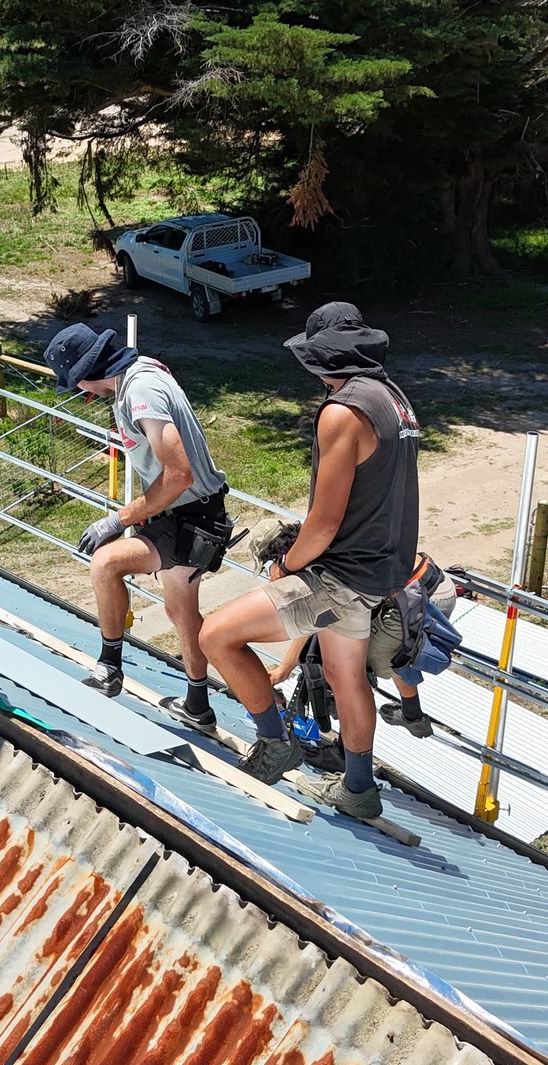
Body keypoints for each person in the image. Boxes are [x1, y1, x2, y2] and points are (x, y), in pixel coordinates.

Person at [200, 302, 421, 820]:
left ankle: (276, 742)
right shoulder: (395, 399)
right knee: (348, 678)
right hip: (380, 570)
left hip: (338, 574)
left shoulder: (343, 411)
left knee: (216, 635)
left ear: (321, 361)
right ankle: (359, 790)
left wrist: (289, 564)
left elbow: (323, 523)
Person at [43, 323, 231, 728]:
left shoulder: (139, 392)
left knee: (106, 563)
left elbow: (178, 474)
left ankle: (109, 668)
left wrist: (117, 519)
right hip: (198, 513)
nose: (81, 393)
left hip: (189, 515)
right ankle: (198, 705)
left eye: (78, 383)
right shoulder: (142, 372)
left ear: (89, 372)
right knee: (181, 611)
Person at [265, 551, 460, 739]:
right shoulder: (320, 545)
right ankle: (411, 713)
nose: (271, 581)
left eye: (270, 573)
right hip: (435, 585)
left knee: (354, 669)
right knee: (389, 648)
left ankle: (347, 750)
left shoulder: (319, 564)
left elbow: (311, 623)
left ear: (280, 561)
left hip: (418, 600)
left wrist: (284, 668)